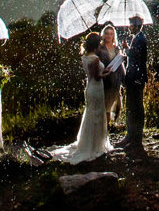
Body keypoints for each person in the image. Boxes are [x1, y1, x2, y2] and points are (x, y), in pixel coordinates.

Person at [49, 32, 113, 163]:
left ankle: (91, 143)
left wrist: (103, 71)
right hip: (96, 89)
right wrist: (107, 73)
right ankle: (95, 145)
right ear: (96, 45)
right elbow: (97, 76)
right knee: (97, 115)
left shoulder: (85, 57)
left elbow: (92, 74)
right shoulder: (94, 58)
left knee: (91, 114)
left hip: (90, 88)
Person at [117, 15, 147, 151]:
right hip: (134, 77)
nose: (129, 27)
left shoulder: (140, 39)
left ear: (135, 26)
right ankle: (130, 137)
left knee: (135, 108)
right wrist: (128, 49)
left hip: (136, 78)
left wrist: (126, 49)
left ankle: (135, 139)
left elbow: (136, 56)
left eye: (131, 25)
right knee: (131, 108)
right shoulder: (138, 38)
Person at [97, 24, 125, 126]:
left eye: (111, 34)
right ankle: (104, 130)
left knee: (112, 105)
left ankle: (107, 129)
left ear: (114, 36)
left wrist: (124, 79)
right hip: (104, 80)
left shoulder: (117, 48)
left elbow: (120, 65)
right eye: (107, 34)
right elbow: (97, 63)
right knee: (105, 107)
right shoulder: (100, 48)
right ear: (103, 35)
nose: (109, 36)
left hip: (115, 80)